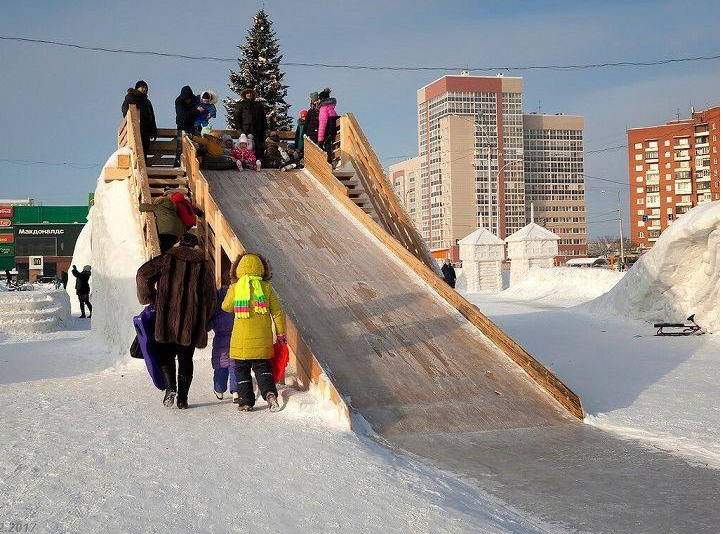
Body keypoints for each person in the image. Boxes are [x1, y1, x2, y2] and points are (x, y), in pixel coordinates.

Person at [136, 232, 217, 409]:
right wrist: (204, 318)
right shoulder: (204, 265)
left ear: (179, 244)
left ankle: (170, 388)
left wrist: (151, 297)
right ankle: (183, 399)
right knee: (186, 359)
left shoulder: (166, 259)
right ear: (195, 246)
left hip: (166, 318)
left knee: (166, 356)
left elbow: (142, 275)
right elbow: (211, 297)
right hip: (191, 322)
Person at [222, 253, 286, 412]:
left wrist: (231, 289)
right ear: (261, 268)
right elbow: (277, 312)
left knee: (242, 371)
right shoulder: (266, 287)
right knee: (262, 368)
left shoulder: (236, 288)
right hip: (262, 340)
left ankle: (246, 402)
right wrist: (280, 334)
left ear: (239, 269)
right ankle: (270, 394)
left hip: (241, 342)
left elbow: (226, 307)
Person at [208, 286, 239, 403]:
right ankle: (235, 392)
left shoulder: (216, 313)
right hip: (234, 339)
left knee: (220, 366)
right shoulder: (234, 312)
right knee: (234, 366)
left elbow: (208, 326)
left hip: (219, 342)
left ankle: (219, 390)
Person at [121, 80, 158, 158]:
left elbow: (152, 116)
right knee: (137, 149)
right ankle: (141, 165)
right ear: (137, 88)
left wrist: (154, 130)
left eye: (146, 88)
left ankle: (144, 165)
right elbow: (125, 109)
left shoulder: (147, 102)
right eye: (143, 87)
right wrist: (132, 120)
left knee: (145, 148)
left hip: (146, 130)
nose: (145, 89)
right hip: (136, 128)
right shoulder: (131, 97)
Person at [233, 88, 267, 161]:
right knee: (246, 147)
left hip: (258, 129)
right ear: (245, 95)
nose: (249, 94)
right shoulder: (240, 104)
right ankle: (245, 161)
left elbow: (263, 117)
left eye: (250, 93)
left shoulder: (258, 105)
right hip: (245, 129)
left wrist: (265, 128)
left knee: (259, 146)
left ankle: (258, 161)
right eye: (247, 93)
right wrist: (239, 129)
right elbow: (236, 117)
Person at [174, 86, 198, 167]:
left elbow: (205, 105)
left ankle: (192, 167)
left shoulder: (195, 99)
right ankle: (177, 166)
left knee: (194, 147)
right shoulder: (179, 101)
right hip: (182, 127)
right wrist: (197, 111)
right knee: (181, 148)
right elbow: (183, 116)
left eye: (188, 99)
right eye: (186, 99)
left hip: (193, 126)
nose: (187, 101)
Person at [316, 88, 339, 163]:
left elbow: (322, 124)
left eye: (319, 99)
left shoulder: (323, 109)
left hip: (327, 130)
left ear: (322, 99)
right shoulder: (331, 108)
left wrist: (320, 139)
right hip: (332, 130)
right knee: (329, 144)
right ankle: (331, 161)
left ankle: (327, 162)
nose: (318, 101)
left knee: (325, 145)